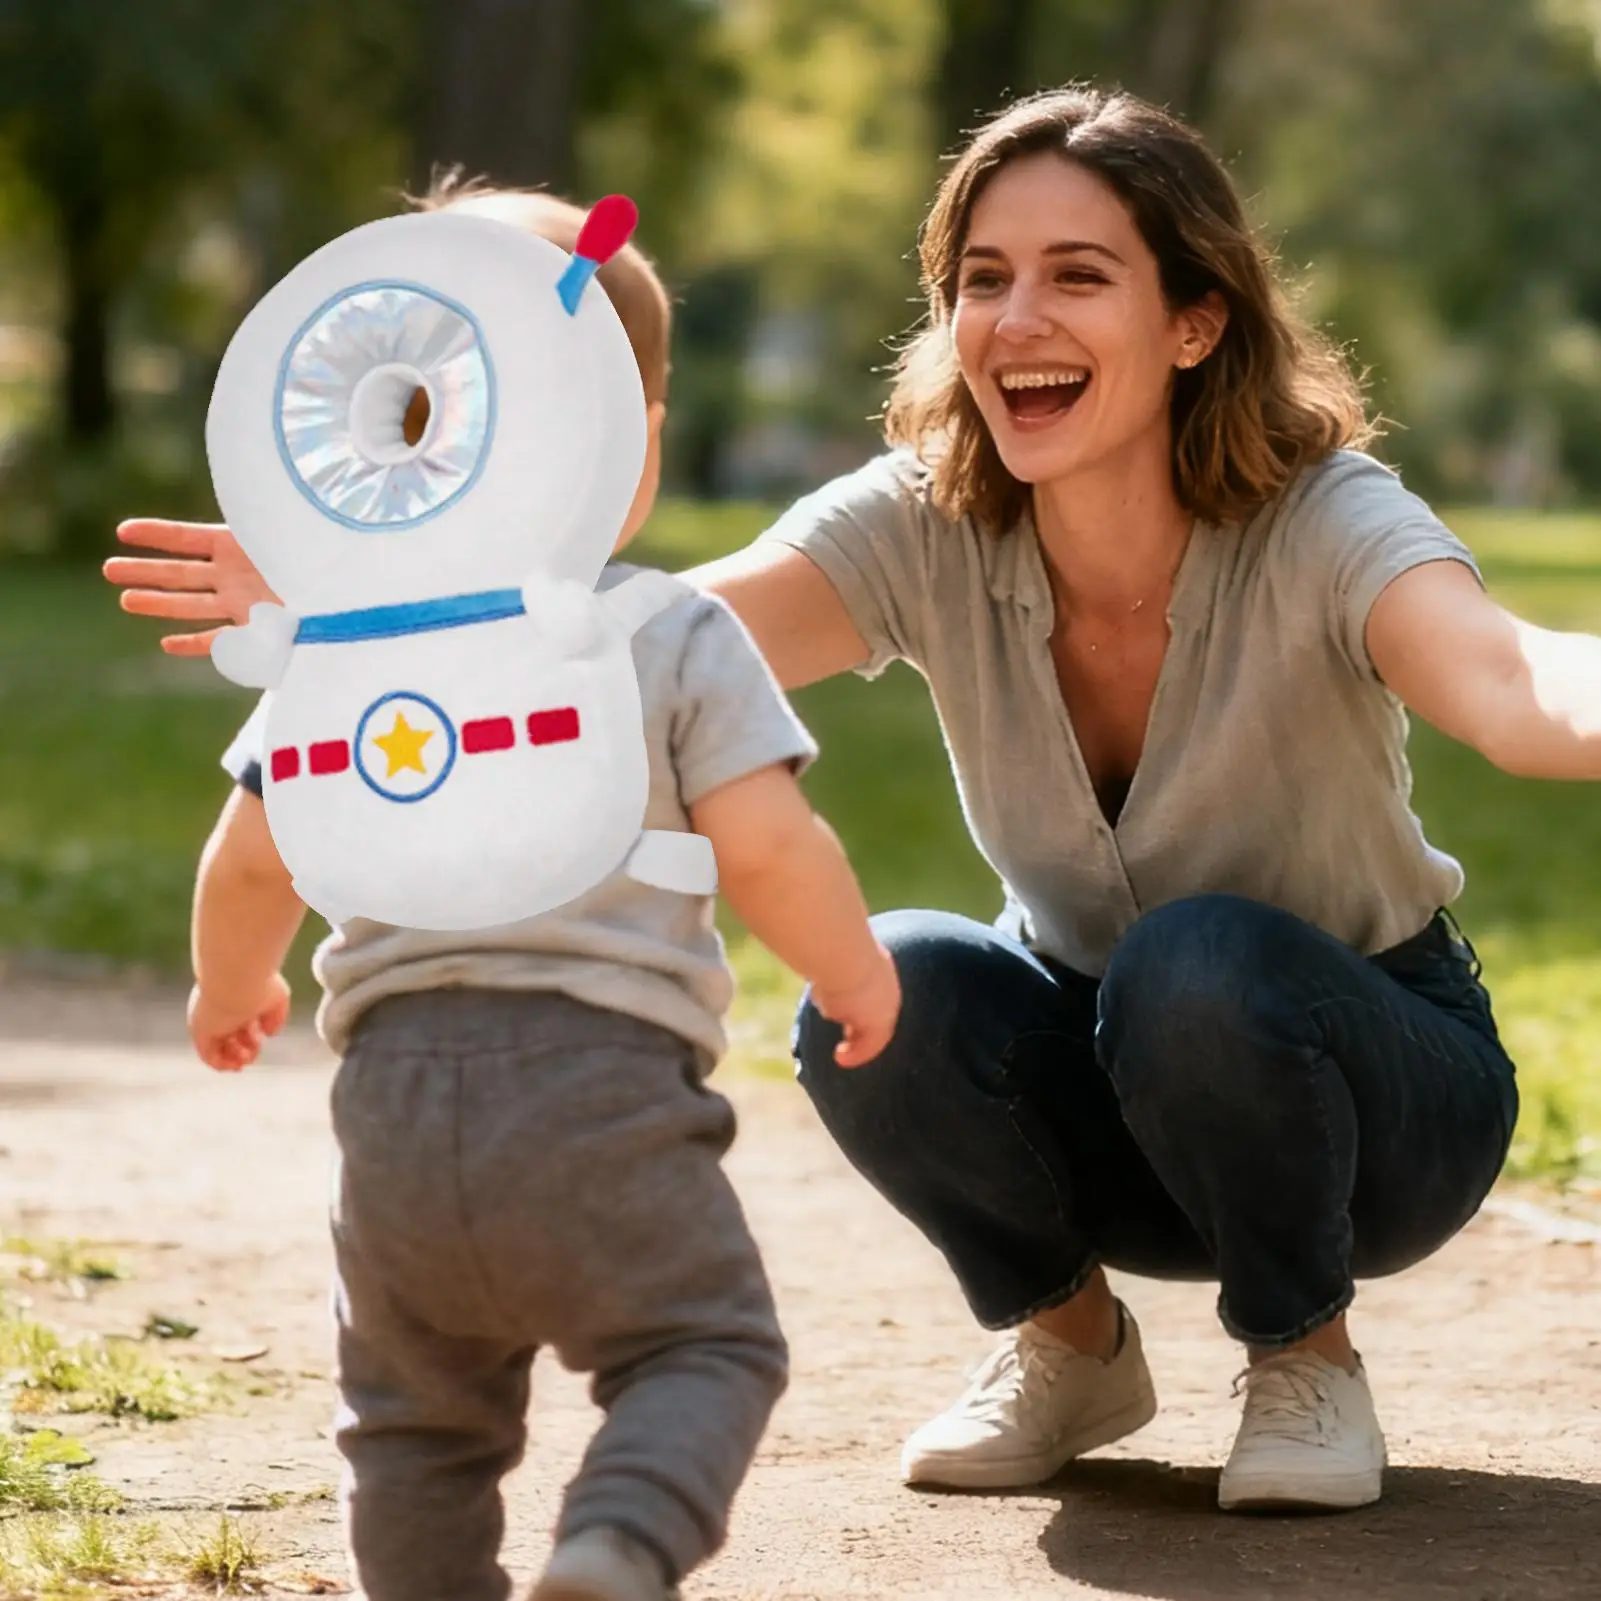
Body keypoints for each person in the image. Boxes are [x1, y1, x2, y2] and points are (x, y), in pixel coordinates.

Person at [108, 88, 1601, 1519]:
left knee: (1196, 961)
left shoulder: (1323, 520)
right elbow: (633, 649)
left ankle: (1304, 1359)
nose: (1016, 322)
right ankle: (1070, 1350)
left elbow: (1515, 686)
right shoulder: (924, 517)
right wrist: (382, 605)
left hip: (1379, 1106)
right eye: (984, 277)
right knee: (877, 983)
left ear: (1194, 322)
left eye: (1079, 277)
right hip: (1105, 1083)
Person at [165, 178, 902, 1601]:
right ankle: (619, 1543)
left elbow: (253, 853)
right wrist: (854, 972)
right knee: (706, 1348)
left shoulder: (341, 656)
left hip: (385, 1117)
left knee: (413, 1433)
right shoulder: (666, 628)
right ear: (635, 444)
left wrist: (228, 985)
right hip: (600, 1095)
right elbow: (766, 847)